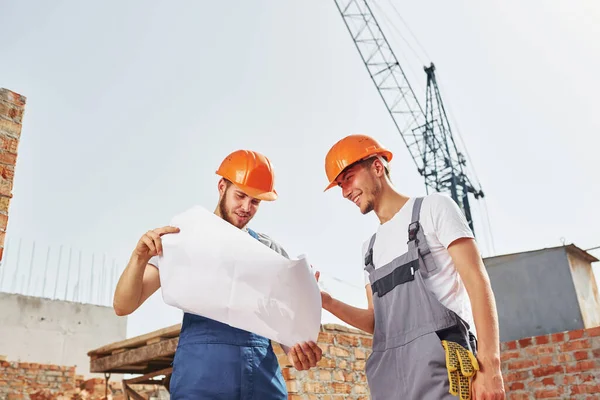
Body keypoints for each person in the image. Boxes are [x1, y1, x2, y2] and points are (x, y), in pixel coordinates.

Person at [113, 149, 322, 399]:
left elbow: (287, 328)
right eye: (240, 196)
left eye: (255, 201)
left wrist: (298, 351)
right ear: (222, 186)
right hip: (201, 377)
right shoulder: (182, 240)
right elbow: (123, 306)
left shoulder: (270, 251)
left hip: (260, 378)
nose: (246, 207)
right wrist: (138, 258)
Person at [318, 134, 505, 400]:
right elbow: (378, 322)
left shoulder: (433, 208)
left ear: (378, 167)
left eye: (348, 178)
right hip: (390, 382)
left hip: (445, 372)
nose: (345, 191)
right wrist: (327, 302)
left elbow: (478, 282)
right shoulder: (369, 249)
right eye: (339, 185)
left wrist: (491, 367)